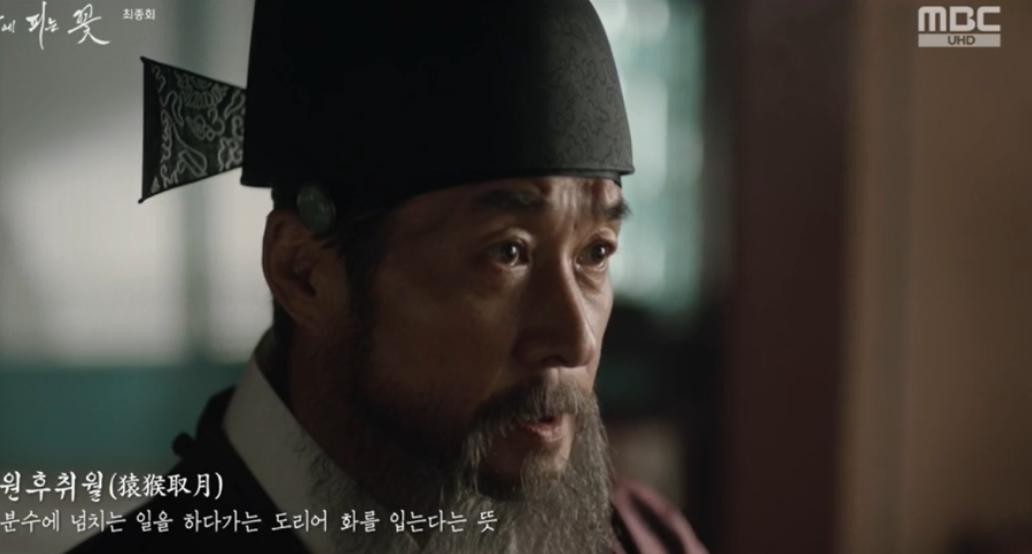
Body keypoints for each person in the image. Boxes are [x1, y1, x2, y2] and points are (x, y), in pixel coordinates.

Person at [66, 0, 707, 552]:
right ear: (304, 272)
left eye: (595, 253)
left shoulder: (645, 538)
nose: (575, 340)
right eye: (508, 252)